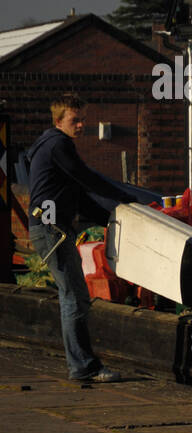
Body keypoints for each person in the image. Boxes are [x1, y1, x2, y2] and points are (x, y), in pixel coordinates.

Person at [26, 95, 135, 383]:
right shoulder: (58, 145)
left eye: (83, 118)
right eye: (75, 120)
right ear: (59, 120)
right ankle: (84, 366)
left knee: (70, 297)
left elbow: (79, 195)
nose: (82, 125)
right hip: (52, 231)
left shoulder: (47, 145)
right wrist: (124, 197)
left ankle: (81, 363)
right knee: (75, 298)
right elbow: (85, 177)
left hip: (48, 229)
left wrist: (110, 218)